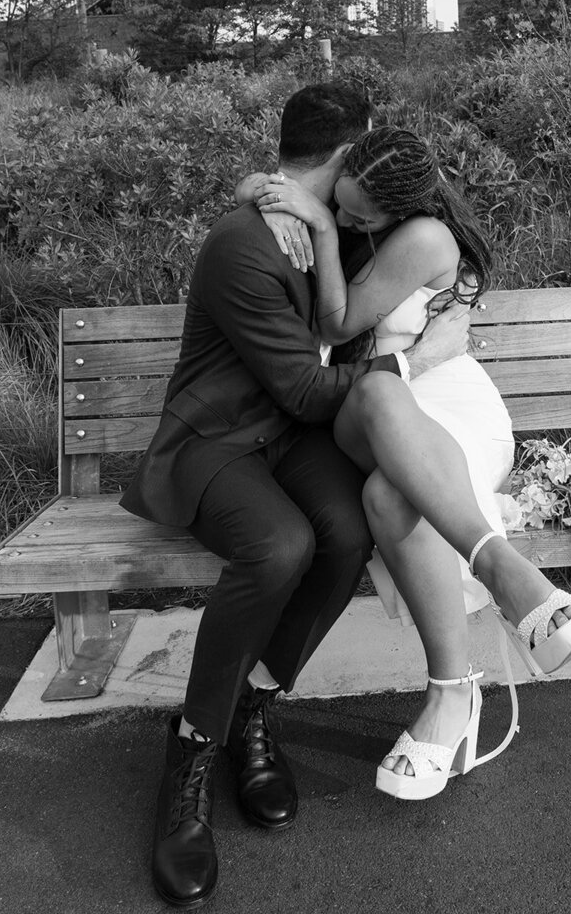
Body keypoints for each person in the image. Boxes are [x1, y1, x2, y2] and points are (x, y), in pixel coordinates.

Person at [119, 85, 471, 909]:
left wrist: (301, 211)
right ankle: (194, 746)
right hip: (218, 438)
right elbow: (310, 391)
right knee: (281, 546)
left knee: (345, 534)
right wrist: (411, 368)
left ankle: (257, 705)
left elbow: (385, 258)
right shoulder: (242, 245)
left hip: (287, 437)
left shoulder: (345, 225)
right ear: (350, 156)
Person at [240, 123, 571, 803]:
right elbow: (261, 193)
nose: (346, 217)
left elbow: (339, 325)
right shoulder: (365, 221)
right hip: (376, 403)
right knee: (379, 388)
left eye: (358, 213)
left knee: (387, 495)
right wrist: (305, 211)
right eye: (340, 204)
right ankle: (509, 574)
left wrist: (320, 227)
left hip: (454, 411)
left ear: (399, 206)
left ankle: (451, 700)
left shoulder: (423, 238)